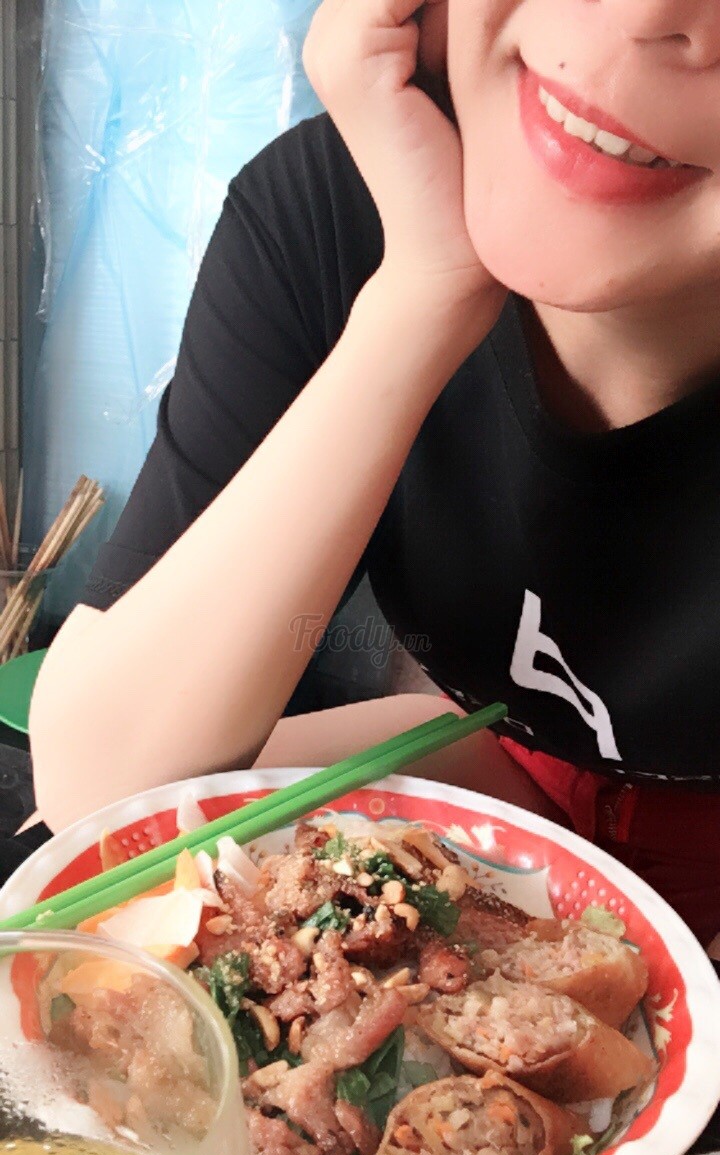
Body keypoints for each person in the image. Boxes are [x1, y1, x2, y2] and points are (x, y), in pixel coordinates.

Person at [29, 0, 720, 947]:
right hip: (498, 772)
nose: (645, 12)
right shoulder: (349, 207)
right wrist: (424, 291)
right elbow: (103, 785)